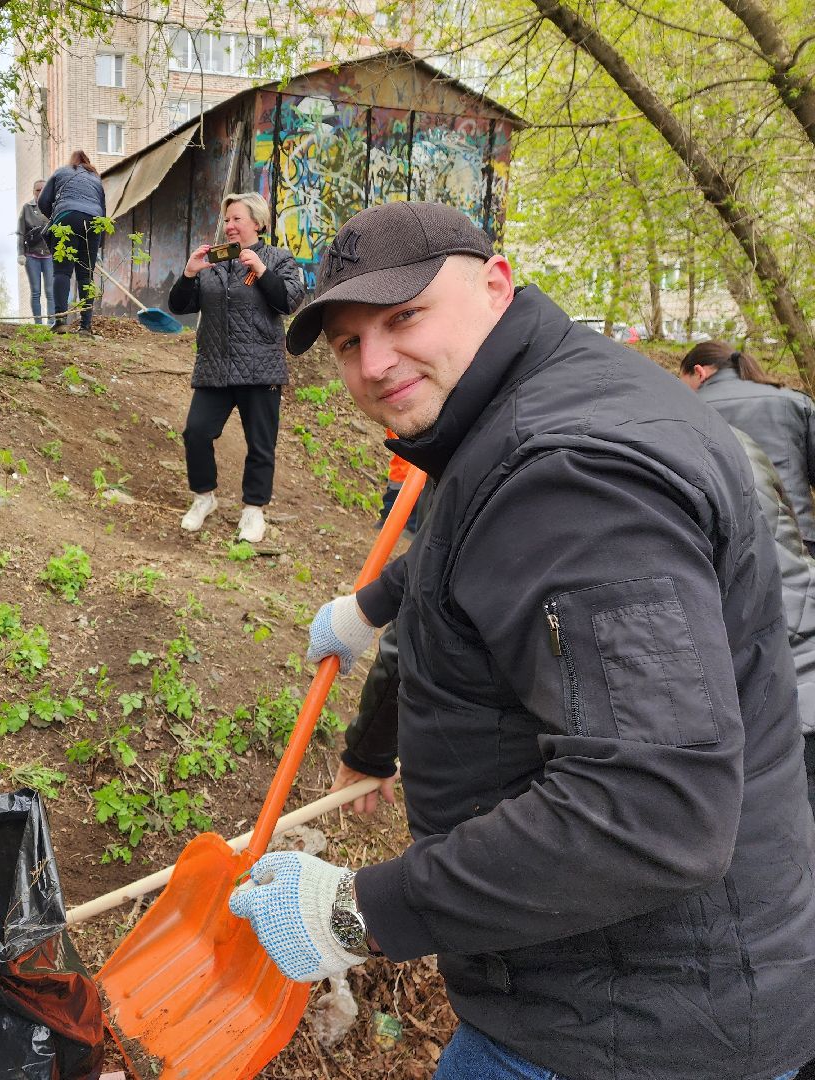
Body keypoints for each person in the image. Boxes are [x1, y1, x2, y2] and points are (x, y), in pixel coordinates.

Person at [226, 201, 815, 1079]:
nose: (376, 362)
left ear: (495, 285)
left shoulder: (571, 473)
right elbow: (486, 538)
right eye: (348, 343)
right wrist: (373, 605)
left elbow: (654, 812)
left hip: (626, 1024)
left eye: (403, 317)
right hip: (629, 986)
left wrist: (357, 911)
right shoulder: (547, 395)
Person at [168, 191, 305, 543]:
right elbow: (179, 305)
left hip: (260, 368)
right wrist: (188, 273)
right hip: (215, 367)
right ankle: (204, 498)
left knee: (260, 444)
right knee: (196, 432)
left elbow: (288, 300)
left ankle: (253, 512)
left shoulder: (278, 259)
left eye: (236, 219)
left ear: (257, 223)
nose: (228, 225)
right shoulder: (213, 265)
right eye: (226, 220)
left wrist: (260, 271)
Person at [680, 340, 815, 555]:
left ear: (699, 372)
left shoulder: (685, 411)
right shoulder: (796, 402)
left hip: (726, 546)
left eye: (682, 381)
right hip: (799, 537)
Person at [37, 150, 106, 336]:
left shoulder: (61, 172)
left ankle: (60, 322)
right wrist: (98, 243)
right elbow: (103, 213)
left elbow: (42, 201)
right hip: (94, 222)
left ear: (72, 161)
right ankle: (85, 327)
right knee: (86, 276)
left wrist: (54, 216)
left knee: (62, 272)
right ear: (88, 163)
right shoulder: (96, 179)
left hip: (66, 217)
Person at [19, 179, 56, 325]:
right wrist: (21, 253)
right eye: (37, 190)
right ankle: (38, 324)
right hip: (31, 255)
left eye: (43, 189)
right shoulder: (27, 208)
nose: (40, 192)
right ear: (33, 191)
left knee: (50, 291)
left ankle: (52, 322)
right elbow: (21, 232)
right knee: (35, 292)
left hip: (49, 255)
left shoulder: (53, 207)